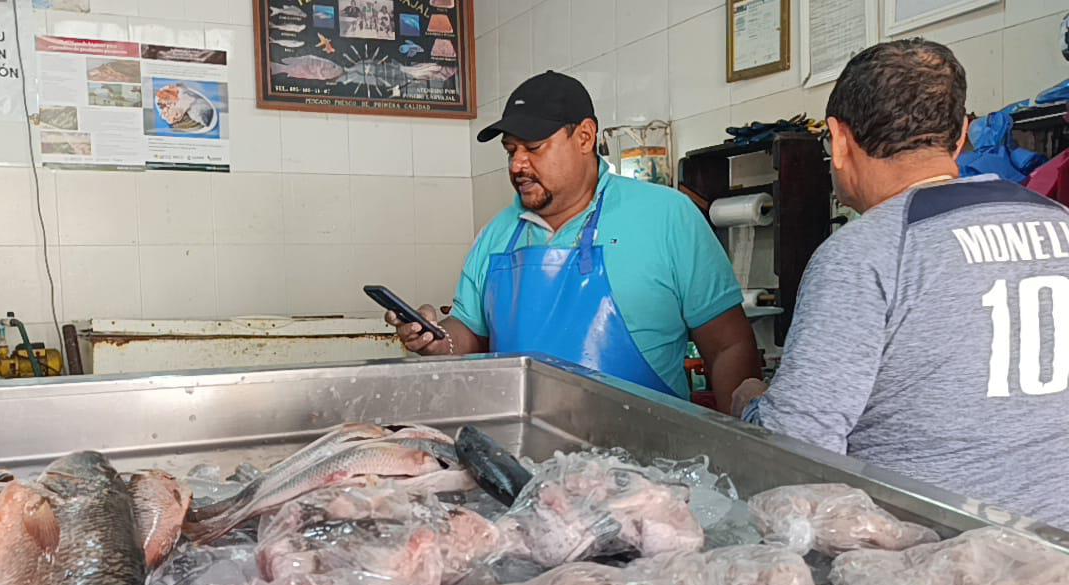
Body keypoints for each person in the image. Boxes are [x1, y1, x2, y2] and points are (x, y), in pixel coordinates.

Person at [733, 39, 1069, 526]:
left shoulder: (864, 254)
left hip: (931, 569)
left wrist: (749, 404)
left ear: (840, 141)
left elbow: (796, 453)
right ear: (959, 139)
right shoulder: (1060, 222)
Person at [387, 71, 760, 412]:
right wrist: (436, 340)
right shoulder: (497, 234)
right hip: (526, 458)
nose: (517, 165)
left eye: (533, 148)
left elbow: (729, 345)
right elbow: (469, 333)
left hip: (649, 465)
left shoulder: (667, 217)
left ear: (584, 136)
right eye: (511, 151)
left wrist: (741, 443)